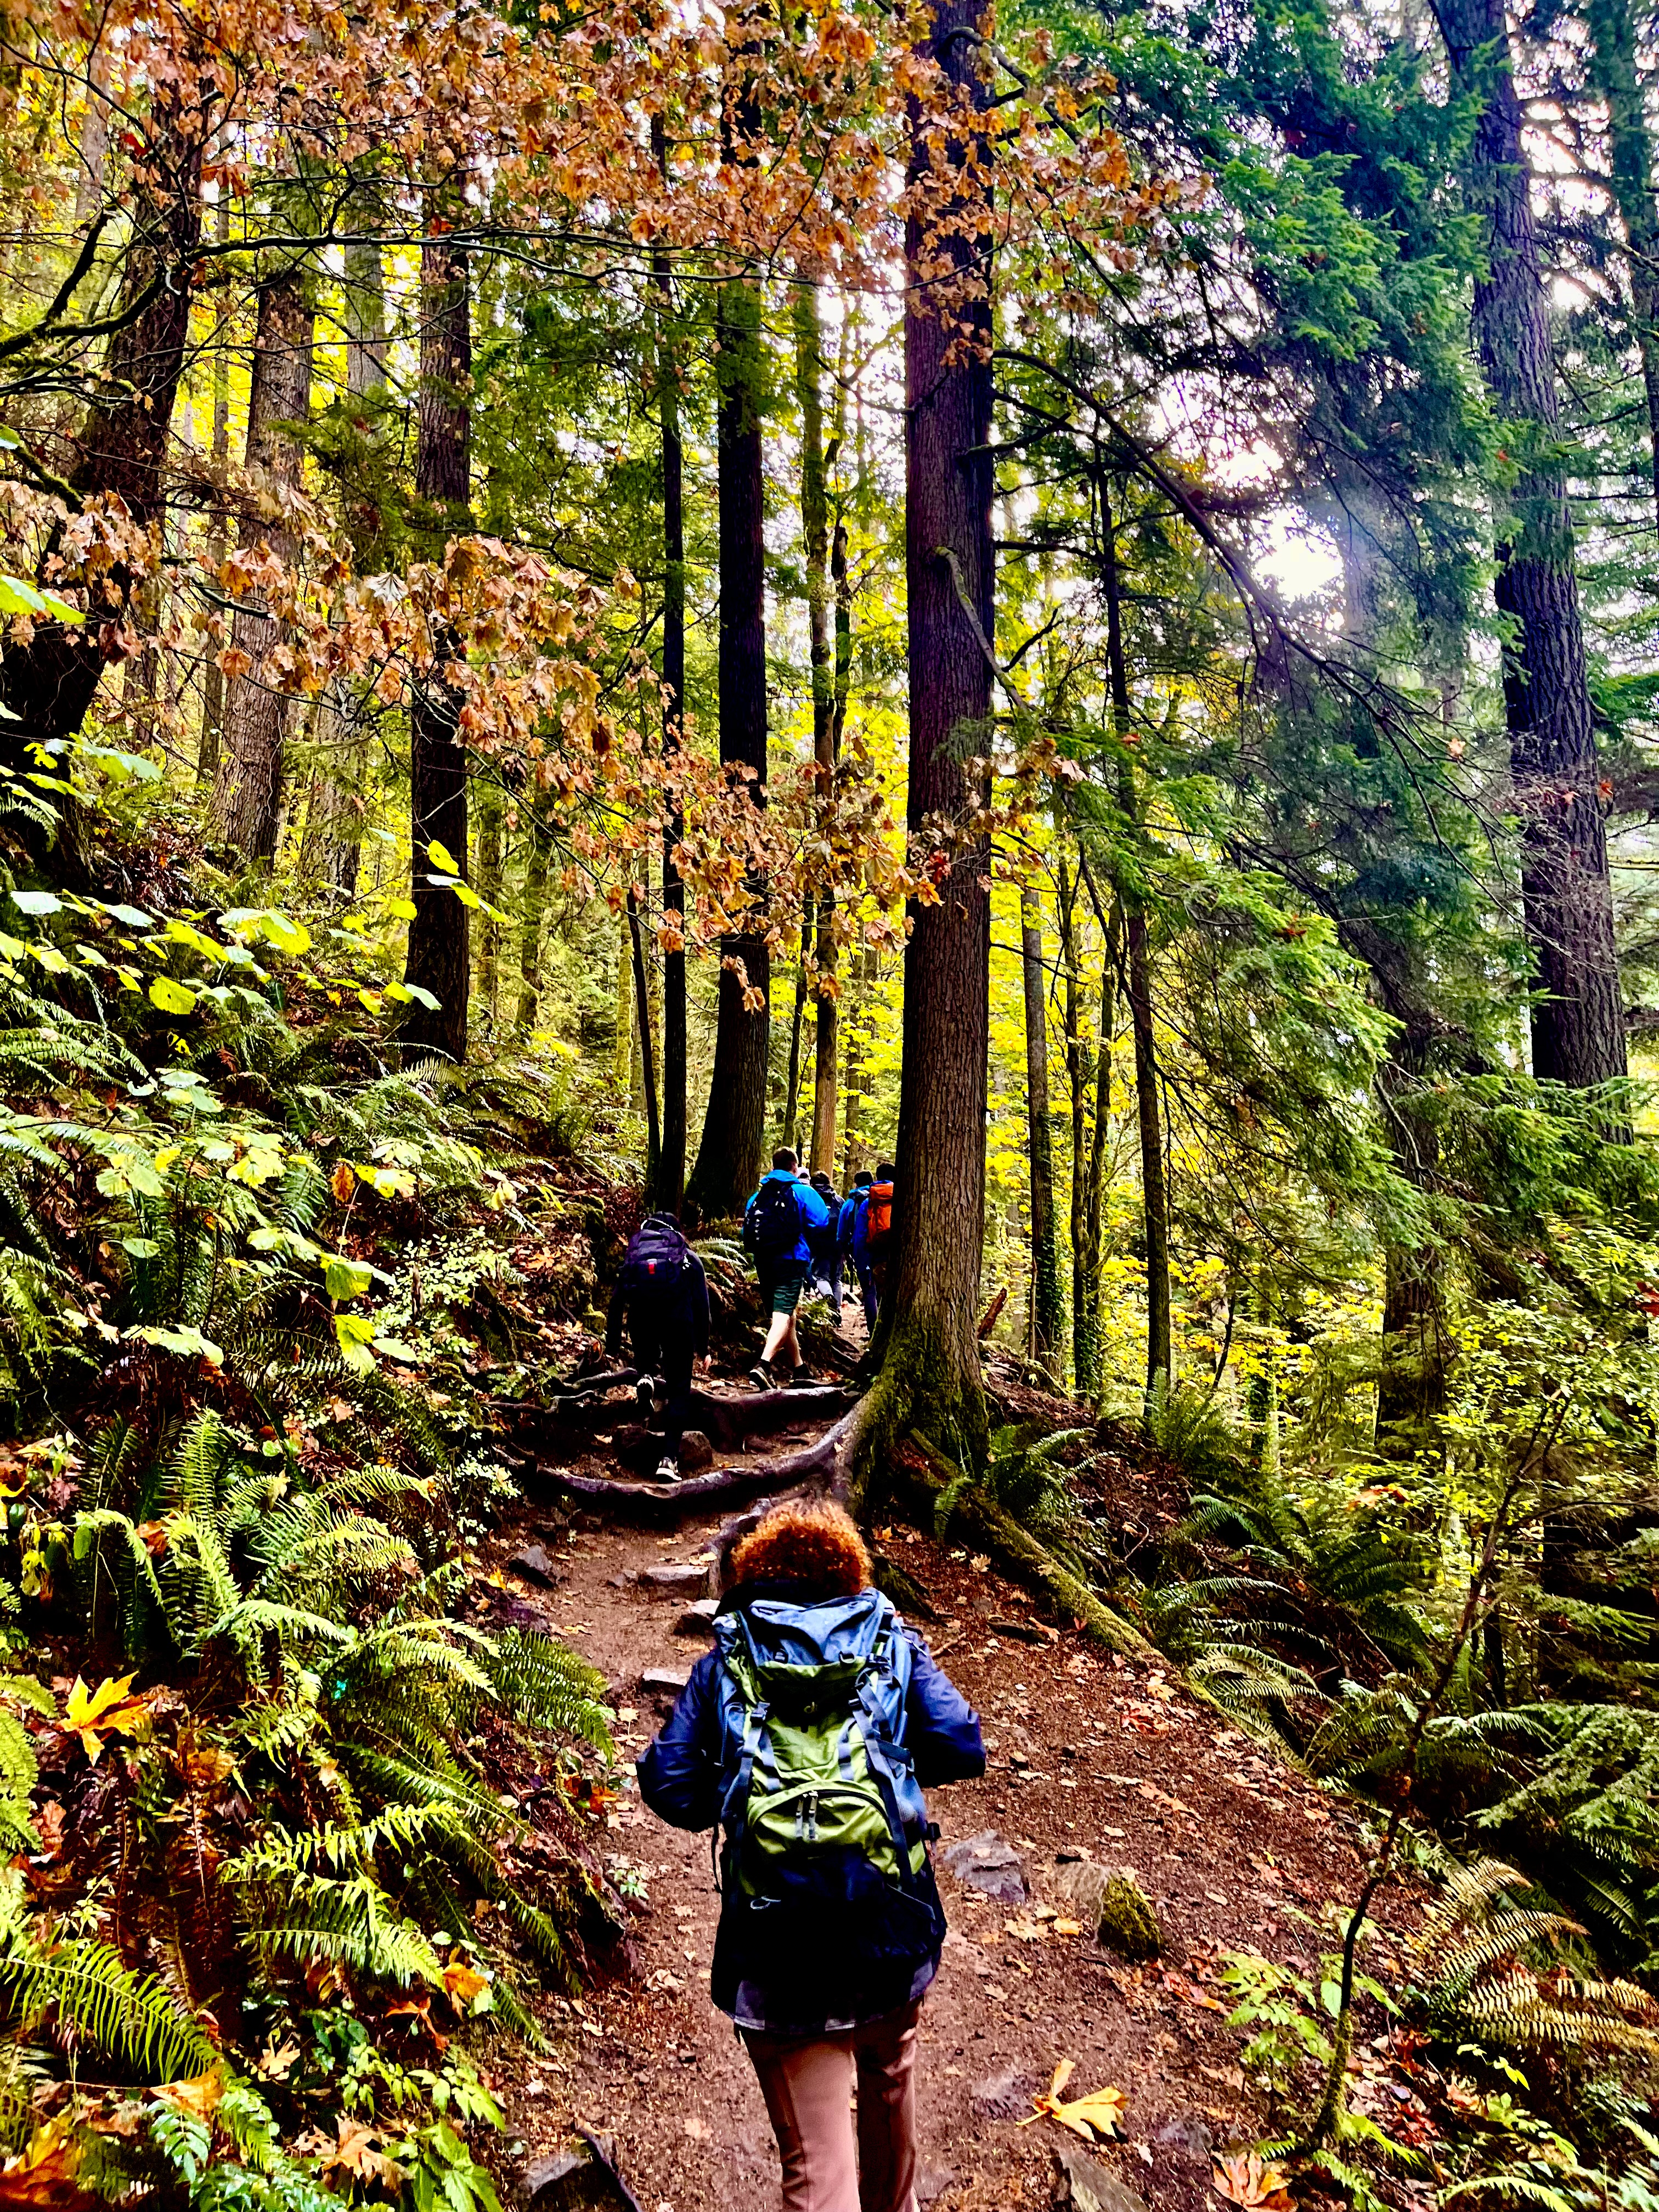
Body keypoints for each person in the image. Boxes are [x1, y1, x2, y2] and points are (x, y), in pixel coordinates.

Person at [637, 1500, 984, 2212]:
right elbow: (960, 1743)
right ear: (848, 1572)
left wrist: (737, 1798)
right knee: (890, 2091)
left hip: (775, 1941)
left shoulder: (726, 1657)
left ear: (754, 1575)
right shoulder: (893, 1640)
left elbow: (669, 1784)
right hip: (890, 1923)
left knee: (818, 2168)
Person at [604, 1209, 708, 1482]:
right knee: (678, 1391)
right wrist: (703, 1348)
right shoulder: (687, 1259)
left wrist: (612, 1344)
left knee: (645, 1349)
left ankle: (646, 1374)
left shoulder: (634, 1258)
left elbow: (617, 1302)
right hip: (678, 1325)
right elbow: (702, 1306)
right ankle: (668, 1459)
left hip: (641, 1323)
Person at [743, 1148, 830, 1389]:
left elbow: (746, 1229)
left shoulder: (757, 1196)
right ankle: (764, 1364)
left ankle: (800, 1369)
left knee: (784, 1314)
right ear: (795, 1167)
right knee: (782, 1316)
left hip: (763, 1261)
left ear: (774, 1166)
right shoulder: (802, 1191)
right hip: (791, 1260)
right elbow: (822, 1220)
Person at [851, 1162, 896, 1330]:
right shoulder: (904, 1198)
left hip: (878, 1258)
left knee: (877, 1296)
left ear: (877, 1177)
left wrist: (861, 1263)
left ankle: (875, 1335)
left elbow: (861, 1235)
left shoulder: (869, 1202)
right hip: (901, 1259)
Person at [839, 1170, 874, 1332]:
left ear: (856, 1184)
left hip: (861, 1252)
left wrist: (846, 1253)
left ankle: (873, 1332)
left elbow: (842, 1232)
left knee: (869, 1293)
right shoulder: (882, 1199)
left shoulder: (850, 1203)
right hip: (884, 1251)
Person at [809, 1170, 842, 1322]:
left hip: (820, 1246)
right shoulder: (839, 1200)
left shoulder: (812, 1199)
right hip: (838, 1246)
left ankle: (830, 1302)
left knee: (821, 1277)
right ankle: (837, 1312)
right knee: (836, 1279)